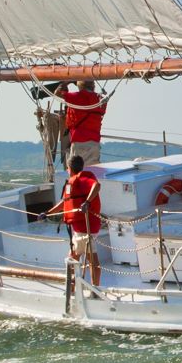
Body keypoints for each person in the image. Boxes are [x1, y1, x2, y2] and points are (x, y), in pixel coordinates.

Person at [55, 152, 105, 292]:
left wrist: (87, 202)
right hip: (83, 227)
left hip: (84, 227)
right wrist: (47, 213)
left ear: (69, 168)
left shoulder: (83, 178)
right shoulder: (73, 183)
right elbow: (64, 203)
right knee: (76, 257)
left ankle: (88, 290)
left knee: (80, 259)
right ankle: (79, 289)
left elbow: (96, 185)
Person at [57, 80, 107, 174]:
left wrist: (67, 82)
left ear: (80, 86)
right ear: (93, 86)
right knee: (92, 171)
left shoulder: (77, 96)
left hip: (79, 140)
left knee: (76, 172)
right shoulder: (100, 99)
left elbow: (57, 93)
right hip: (94, 141)